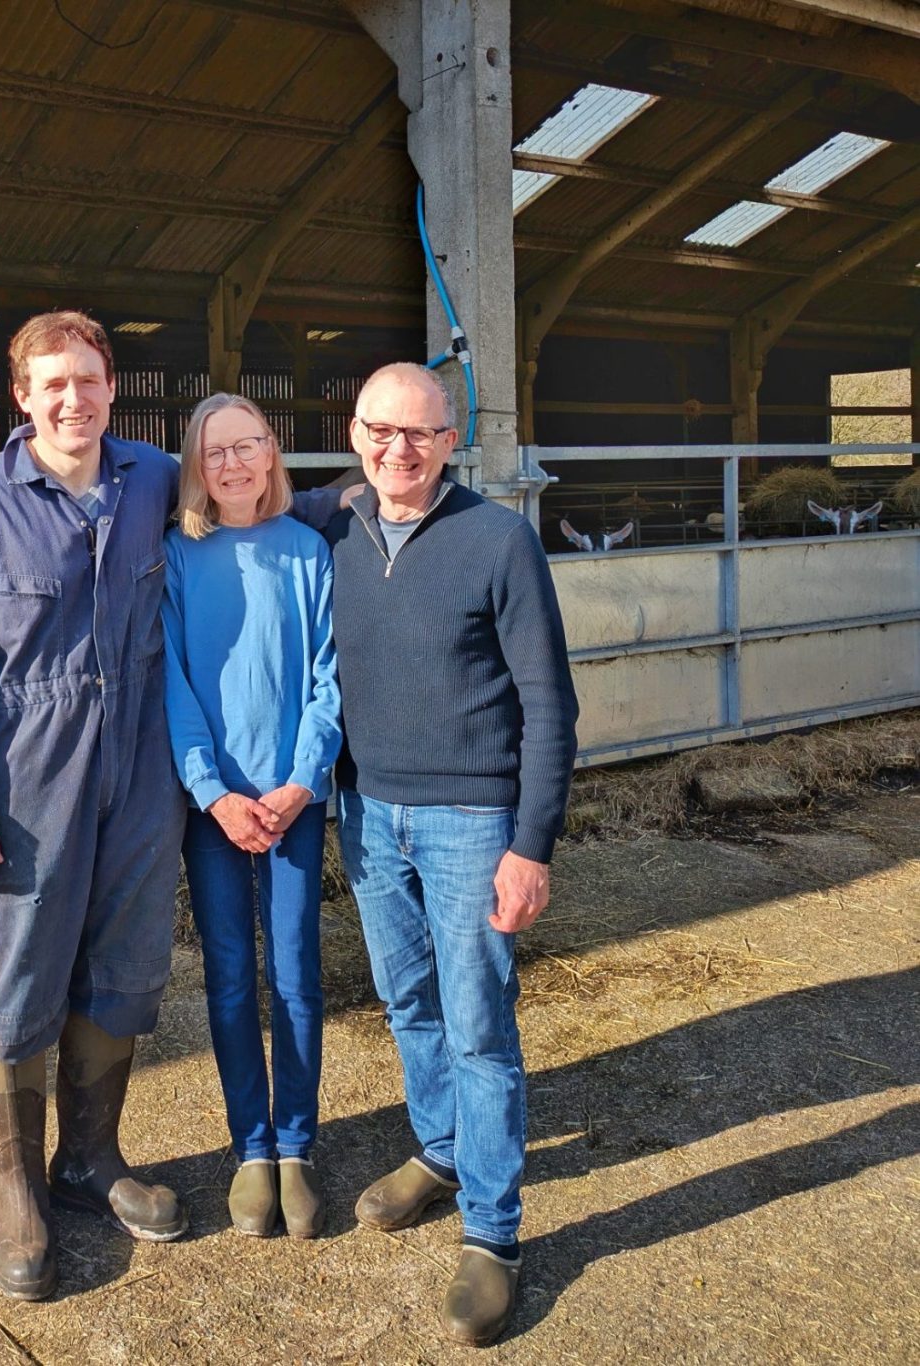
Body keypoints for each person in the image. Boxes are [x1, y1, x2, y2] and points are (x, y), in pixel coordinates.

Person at [0, 311, 189, 1302]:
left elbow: (254, 501)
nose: (74, 398)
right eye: (52, 383)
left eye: (89, 378)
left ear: (114, 384)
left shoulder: (154, 477)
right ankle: (18, 1188)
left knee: (122, 965)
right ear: (22, 397)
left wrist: (377, 487)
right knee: (16, 977)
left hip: (141, 775)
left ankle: (92, 1157)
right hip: (27, 784)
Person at [323, 363, 579, 1345]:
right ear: (354, 433)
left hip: (472, 819)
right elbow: (240, 496)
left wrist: (531, 844)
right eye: (381, 430)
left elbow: (550, 703)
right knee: (405, 998)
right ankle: (438, 1150)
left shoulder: (498, 539)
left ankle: (494, 1230)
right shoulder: (334, 526)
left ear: (451, 438)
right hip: (368, 811)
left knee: (477, 1020)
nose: (400, 450)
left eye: (422, 434)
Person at [161, 394, 341, 1240]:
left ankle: (299, 1143)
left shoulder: (309, 553)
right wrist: (213, 791)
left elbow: (328, 679)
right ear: (196, 465)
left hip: (293, 804)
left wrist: (303, 780)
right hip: (216, 810)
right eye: (215, 451)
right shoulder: (177, 558)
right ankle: (252, 1146)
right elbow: (174, 686)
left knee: (296, 972)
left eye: (249, 447)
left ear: (273, 455)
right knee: (231, 976)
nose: (233, 464)